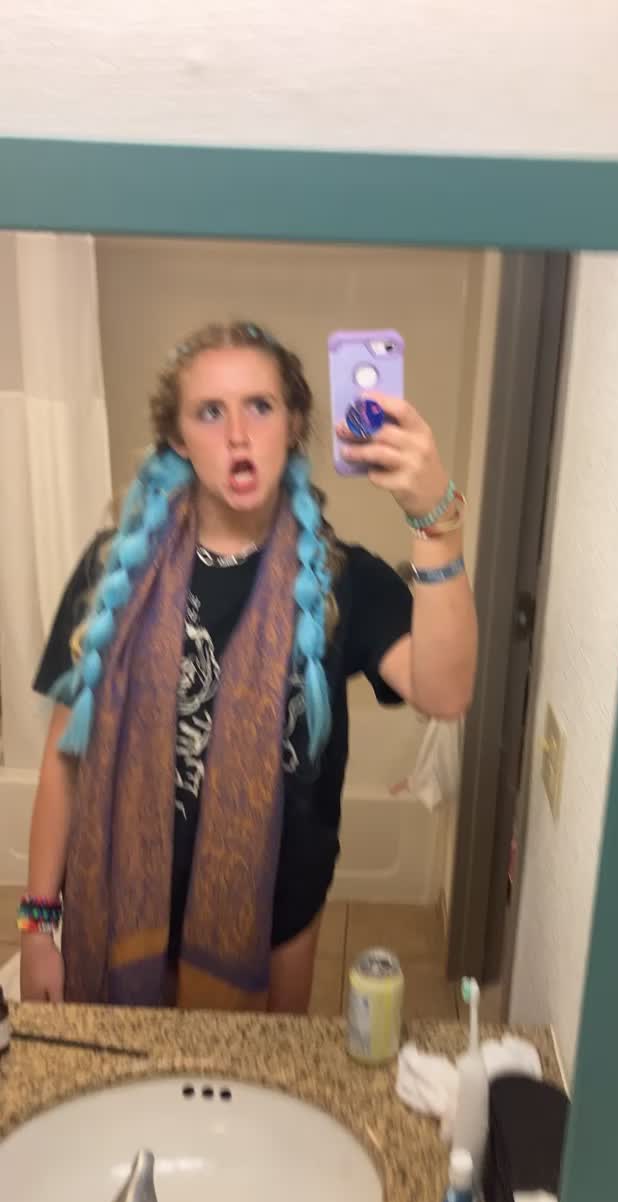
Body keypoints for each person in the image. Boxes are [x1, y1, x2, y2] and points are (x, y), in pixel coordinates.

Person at [19, 321, 477, 1013]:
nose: (237, 434)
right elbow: (64, 758)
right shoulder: (113, 571)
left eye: (260, 406)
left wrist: (435, 522)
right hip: (117, 896)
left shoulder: (342, 580)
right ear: (179, 439)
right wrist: (36, 927)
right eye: (210, 411)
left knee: (252, 1075)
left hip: (275, 915)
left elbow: (446, 692)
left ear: (293, 425)